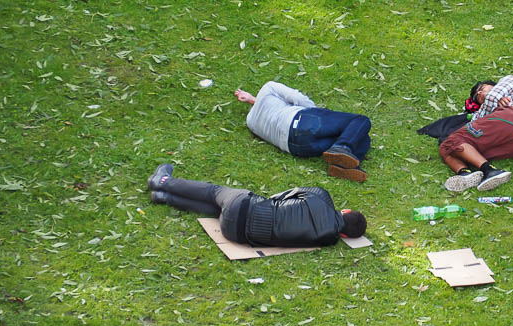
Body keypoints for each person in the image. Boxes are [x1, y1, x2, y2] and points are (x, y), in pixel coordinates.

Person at [146, 163, 366, 246]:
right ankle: (165, 198)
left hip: (244, 207)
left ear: (345, 210)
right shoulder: (328, 240)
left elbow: (282, 196)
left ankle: (164, 182)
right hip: (236, 235)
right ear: (344, 236)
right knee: (216, 210)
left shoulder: (321, 197)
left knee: (214, 192)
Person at [235, 81, 371, 183]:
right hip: (303, 121)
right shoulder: (268, 87)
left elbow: (267, 113)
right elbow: (298, 98)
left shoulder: (250, 122)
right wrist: (319, 113)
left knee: (360, 136)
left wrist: (253, 100)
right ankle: (343, 149)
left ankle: (341, 167)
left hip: (297, 148)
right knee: (360, 121)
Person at [440, 74, 513, 193]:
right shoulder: (494, 107)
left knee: (454, 139)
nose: (480, 94)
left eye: (482, 88)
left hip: (512, 117)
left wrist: (492, 100)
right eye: (477, 97)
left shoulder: (510, 80)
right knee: (446, 146)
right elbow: (479, 117)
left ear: (493, 85)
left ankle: (489, 170)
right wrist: (494, 104)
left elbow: (491, 98)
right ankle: (465, 173)